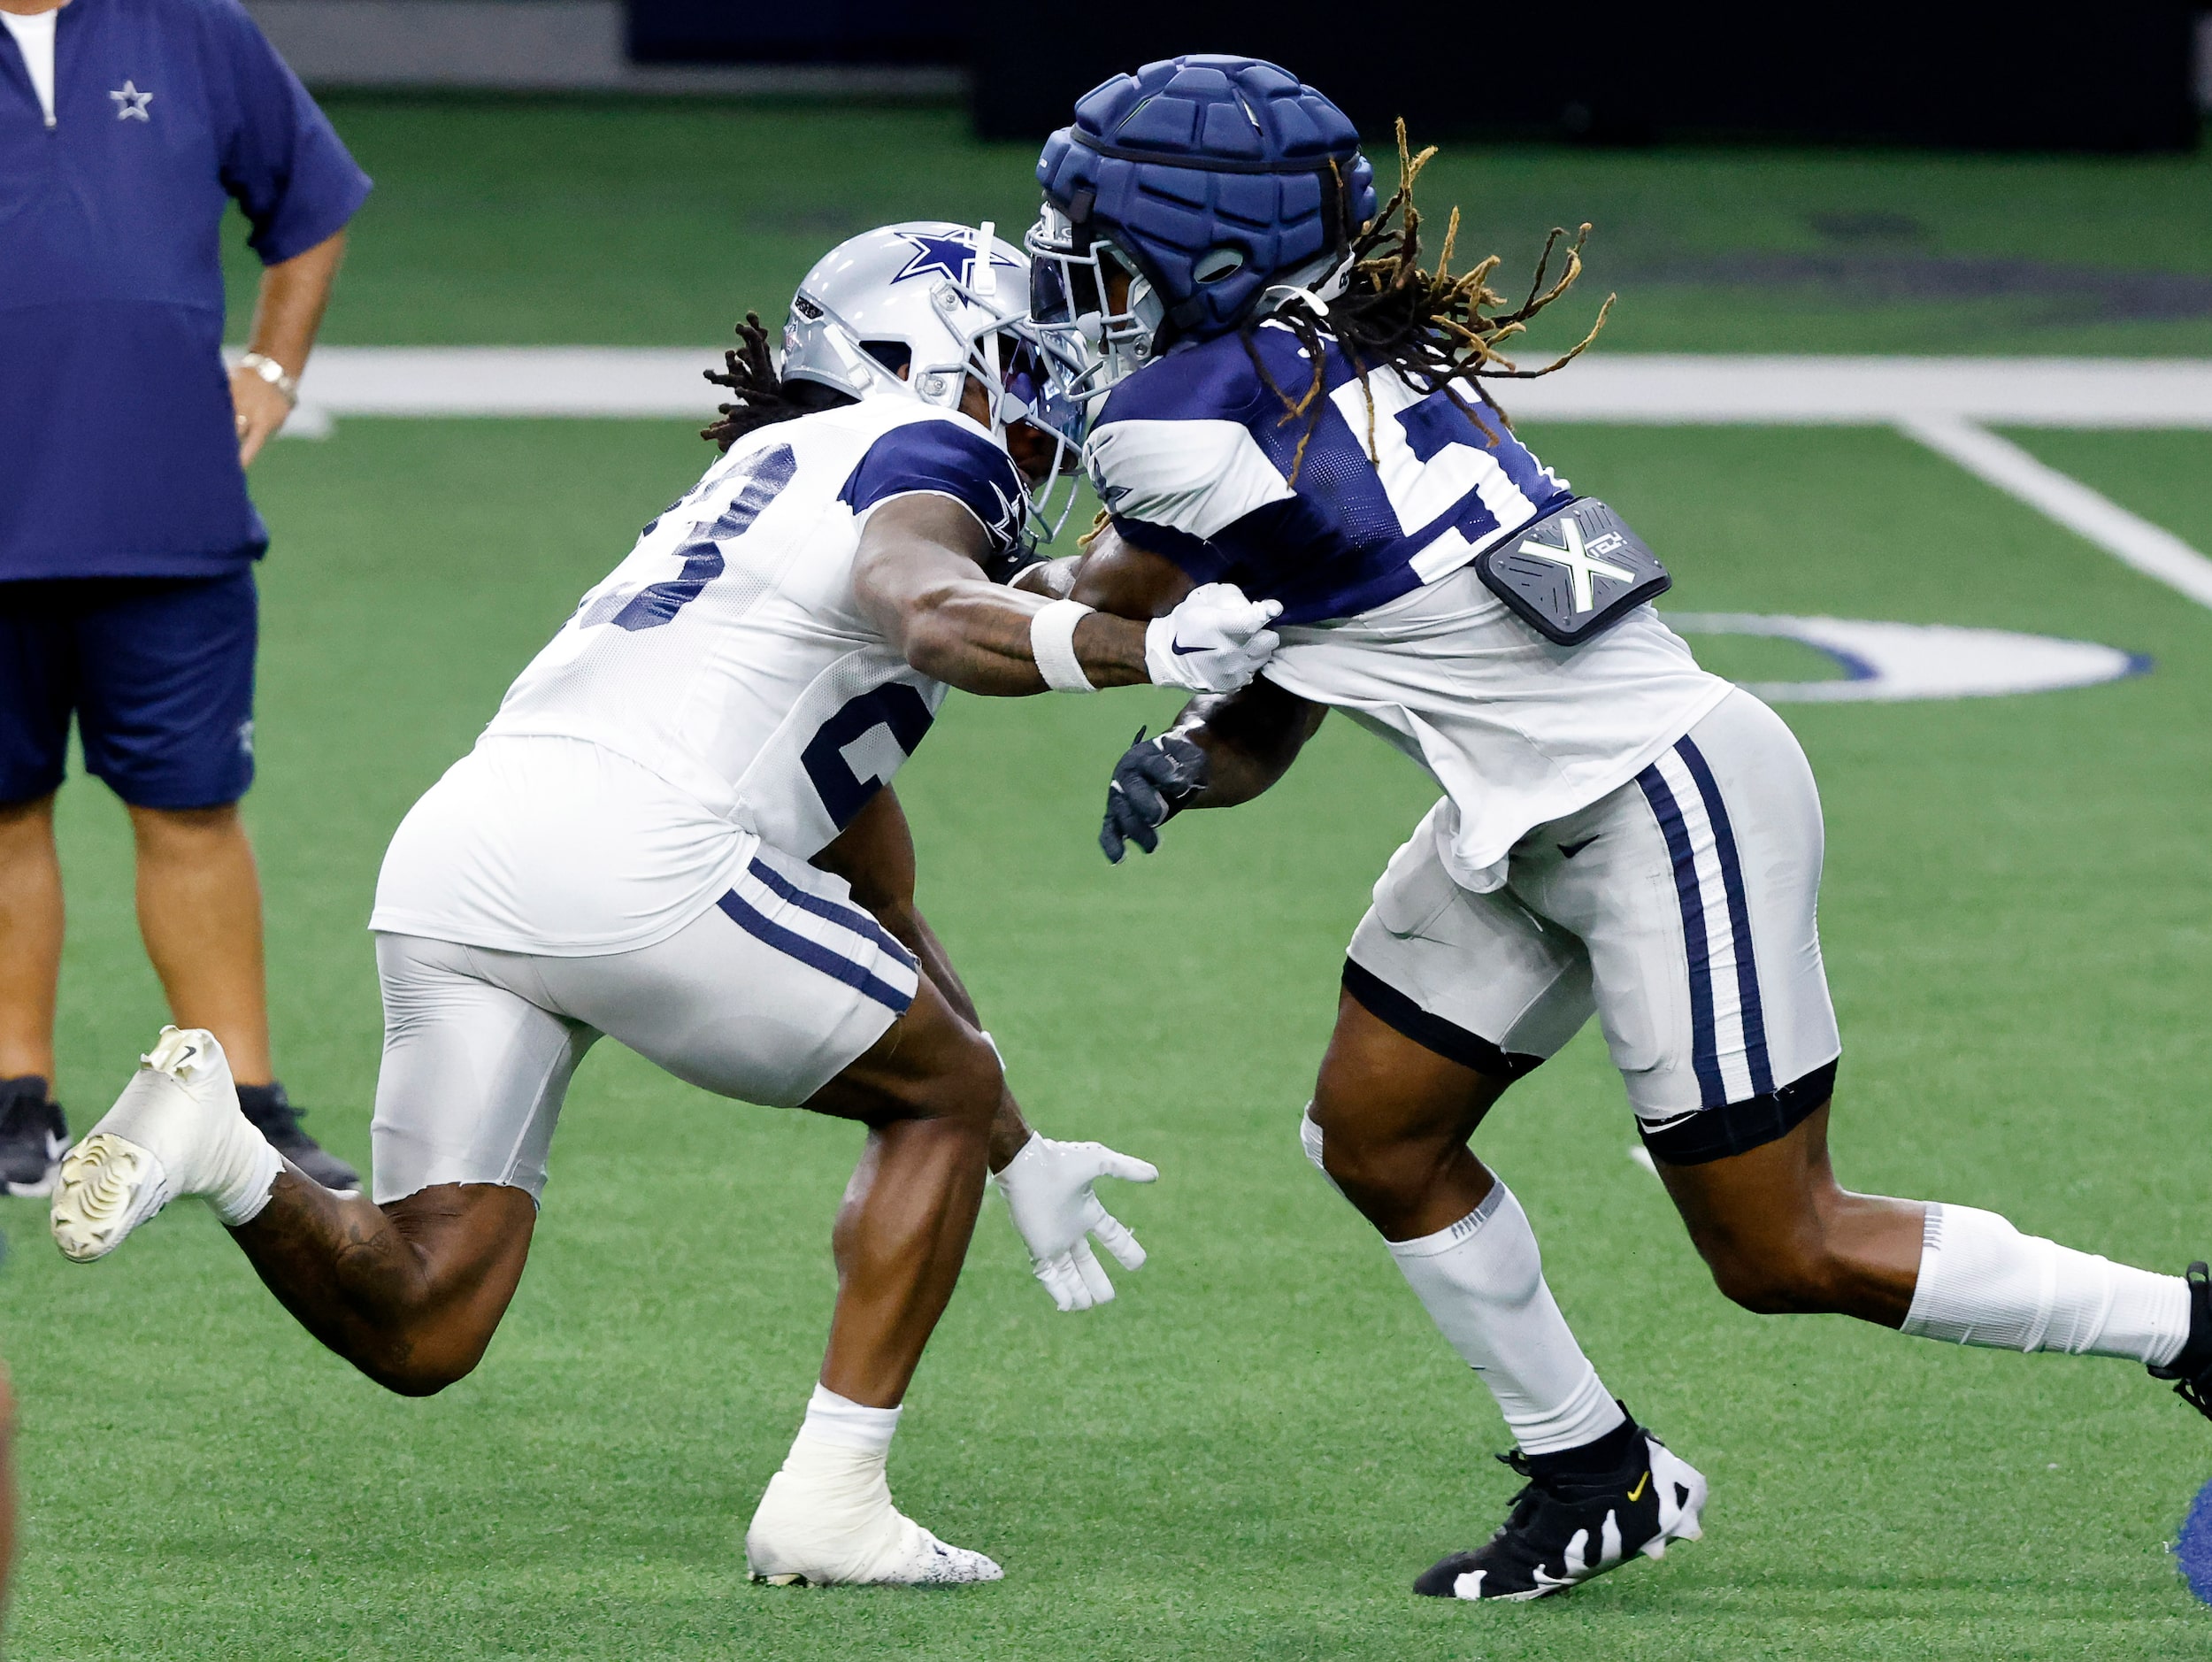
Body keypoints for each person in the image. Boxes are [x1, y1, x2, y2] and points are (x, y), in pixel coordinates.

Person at [1023, 55, 2212, 1602]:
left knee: (1781, 1247)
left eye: (1100, 238)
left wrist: (879, 529)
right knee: (1378, 1136)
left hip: (1663, 802)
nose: (1075, 273)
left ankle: (2194, 1327)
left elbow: (1079, 608)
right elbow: (1294, 666)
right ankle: (1598, 1469)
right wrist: (1193, 752)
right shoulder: (1347, 363)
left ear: (1206, 247)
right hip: (1530, 808)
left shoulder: (1178, 421)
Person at [50, 222, 1278, 1588]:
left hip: (460, 848)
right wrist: (1144, 646)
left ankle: (224, 1150)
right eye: (1014, 359)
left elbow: (877, 898)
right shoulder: (928, 455)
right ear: (908, 360)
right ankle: (833, 1502)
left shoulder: (761, 487)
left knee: (423, 1316)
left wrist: (1018, 1142)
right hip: (641, 855)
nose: (1044, 390)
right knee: (930, 1089)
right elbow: (931, 613)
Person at [0, 0, 366, 1193]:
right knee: (1, 815)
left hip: (167, 514)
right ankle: (14, 1097)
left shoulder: (192, 27)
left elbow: (310, 205)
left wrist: (271, 368)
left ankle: (242, 1103)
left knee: (194, 811)